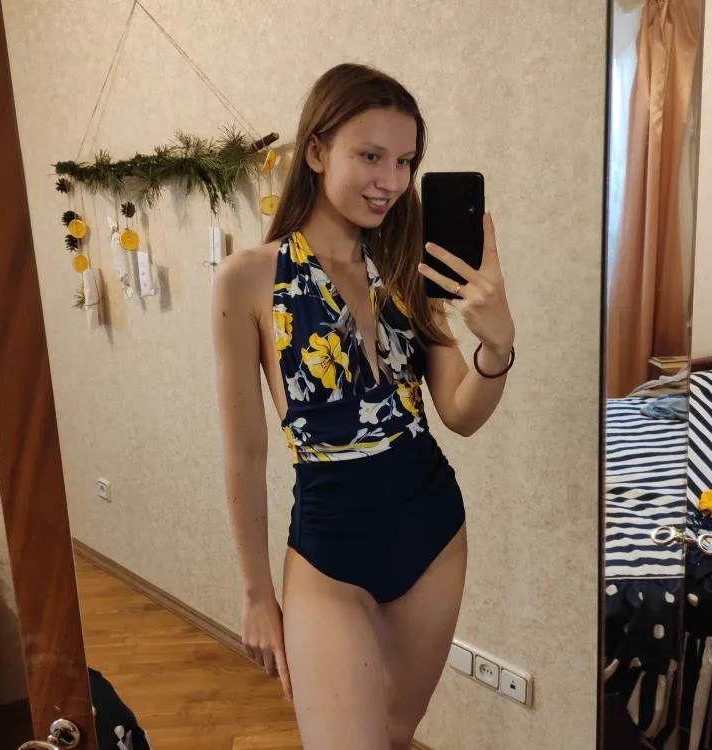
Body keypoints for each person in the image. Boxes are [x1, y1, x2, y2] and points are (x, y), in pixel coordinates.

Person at [211, 62, 515, 750]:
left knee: (396, 734)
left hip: (433, 531)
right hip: (329, 551)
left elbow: (460, 413)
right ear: (317, 152)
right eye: (371, 156)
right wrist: (256, 593)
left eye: (405, 161)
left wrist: (498, 347)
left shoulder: (408, 267)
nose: (391, 180)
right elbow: (245, 452)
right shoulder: (249, 278)